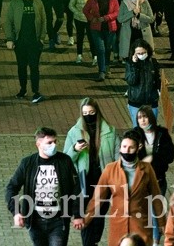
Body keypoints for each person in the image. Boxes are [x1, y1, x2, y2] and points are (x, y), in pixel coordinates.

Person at [84, 131, 166, 246]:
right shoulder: (110, 169)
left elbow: (156, 197)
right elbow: (98, 198)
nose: (126, 150)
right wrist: (86, 219)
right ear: (120, 148)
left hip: (140, 224)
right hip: (118, 225)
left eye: (131, 147)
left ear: (138, 149)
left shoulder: (147, 169)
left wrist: (162, 223)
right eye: (124, 147)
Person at [6, 127, 85, 246]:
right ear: (38, 144)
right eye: (49, 142)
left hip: (59, 220)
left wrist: (78, 214)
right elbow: (12, 187)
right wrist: (16, 212)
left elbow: (76, 188)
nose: (54, 145)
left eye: (55, 142)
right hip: (35, 221)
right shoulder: (28, 163)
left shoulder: (64, 161)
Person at [63, 97, 119, 246]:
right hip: (84, 182)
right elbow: (65, 160)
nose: (89, 116)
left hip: (104, 181)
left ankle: (93, 241)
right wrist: (75, 149)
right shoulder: (74, 132)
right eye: (85, 113)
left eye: (91, 112)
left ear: (97, 112)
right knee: (87, 213)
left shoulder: (110, 131)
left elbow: (118, 157)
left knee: (99, 215)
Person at [5, 0, 47, 104]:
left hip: (34, 41)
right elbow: (8, 21)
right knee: (21, 67)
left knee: (34, 67)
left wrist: (42, 38)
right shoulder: (15, 3)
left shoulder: (38, 3)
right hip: (20, 41)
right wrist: (10, 39)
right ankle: (22, 89)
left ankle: (35, 91)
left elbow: (44, 21)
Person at [83, 0, 119, 81]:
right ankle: (102, 71)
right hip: (96, 28)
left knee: (108, 49)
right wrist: (91, 18)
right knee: (100, 49)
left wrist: (107, 18)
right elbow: (85, 10)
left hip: (110, 28)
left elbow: (117, 12)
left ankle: (107, 66)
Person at [124, 39, 161, 126]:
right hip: (136, 103)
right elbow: (131, 81)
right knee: (138, 129)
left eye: (143, 53)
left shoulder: (153, 62)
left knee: (152, 128)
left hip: (151, 102)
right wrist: (134, 65)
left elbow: (157, 79)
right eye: (139, 53)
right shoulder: (130, 64)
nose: (141, 55)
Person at [118, 0, 155, 65]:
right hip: (130, 33)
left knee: (144, 56)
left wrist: (139, 16)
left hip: (142, 32)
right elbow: (120, 19)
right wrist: (132, 13)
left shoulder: (145, 2)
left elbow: (151, 19)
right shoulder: (124, 3)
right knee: (130, 57)